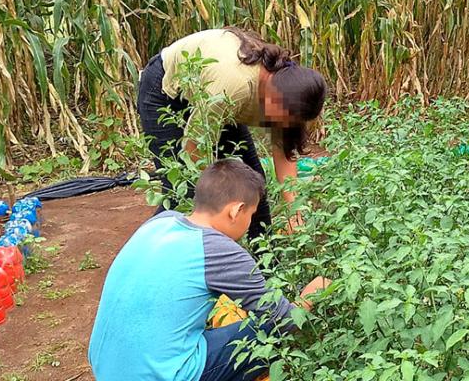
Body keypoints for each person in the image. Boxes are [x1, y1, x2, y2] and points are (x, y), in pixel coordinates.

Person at [88, 159, 330, 381]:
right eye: (252, 215)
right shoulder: (219, 249)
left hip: (106, 367)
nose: (249, 225)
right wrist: (312, 293)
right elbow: (283, 319)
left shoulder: (159, 223)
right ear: (236, 211)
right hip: (160, 375)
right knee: (265, 331)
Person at [137, 27, 327, 239]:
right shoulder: (236, 87)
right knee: (185, 190)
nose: (280, 125)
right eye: (282, 118)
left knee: (252, 185)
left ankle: (263, 265)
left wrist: (295, 212)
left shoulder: (289, 90)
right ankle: (147, 248)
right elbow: (194, 149)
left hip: (214, 96)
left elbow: (284, 149)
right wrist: (214, 194)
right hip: (165, 89)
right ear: (275, 96)